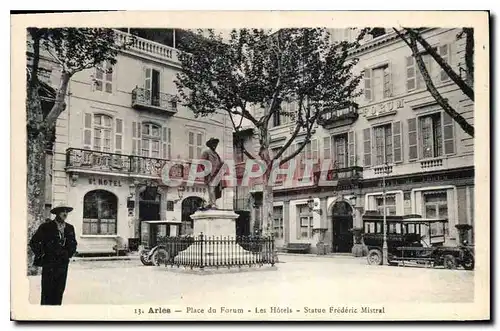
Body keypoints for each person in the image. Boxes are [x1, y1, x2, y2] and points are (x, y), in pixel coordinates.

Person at [29, 204, 77, 305]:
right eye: (62, 211)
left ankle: (55, 315)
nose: (65, 214)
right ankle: (44, 316)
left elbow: (73, 243)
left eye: (66, 212)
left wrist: (68, 254)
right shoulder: (46, 227)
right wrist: (42, 254)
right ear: (56, 213)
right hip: (49, 264)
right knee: (47, 292)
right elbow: (34, 242)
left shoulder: (70, 228)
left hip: (63, 264)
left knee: (59, 291)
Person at [200, 137, 225, 209]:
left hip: (217, 175)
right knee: (211, 188)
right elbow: (202, 162)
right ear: (210, 145)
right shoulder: (206, 152)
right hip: (210, 174)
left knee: (216, 190)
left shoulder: (217, 154)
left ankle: (210, 203)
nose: (215, 145)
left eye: (216, 144)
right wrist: (207, 171)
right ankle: (213, 203)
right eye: (213, 143)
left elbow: (219, 163)